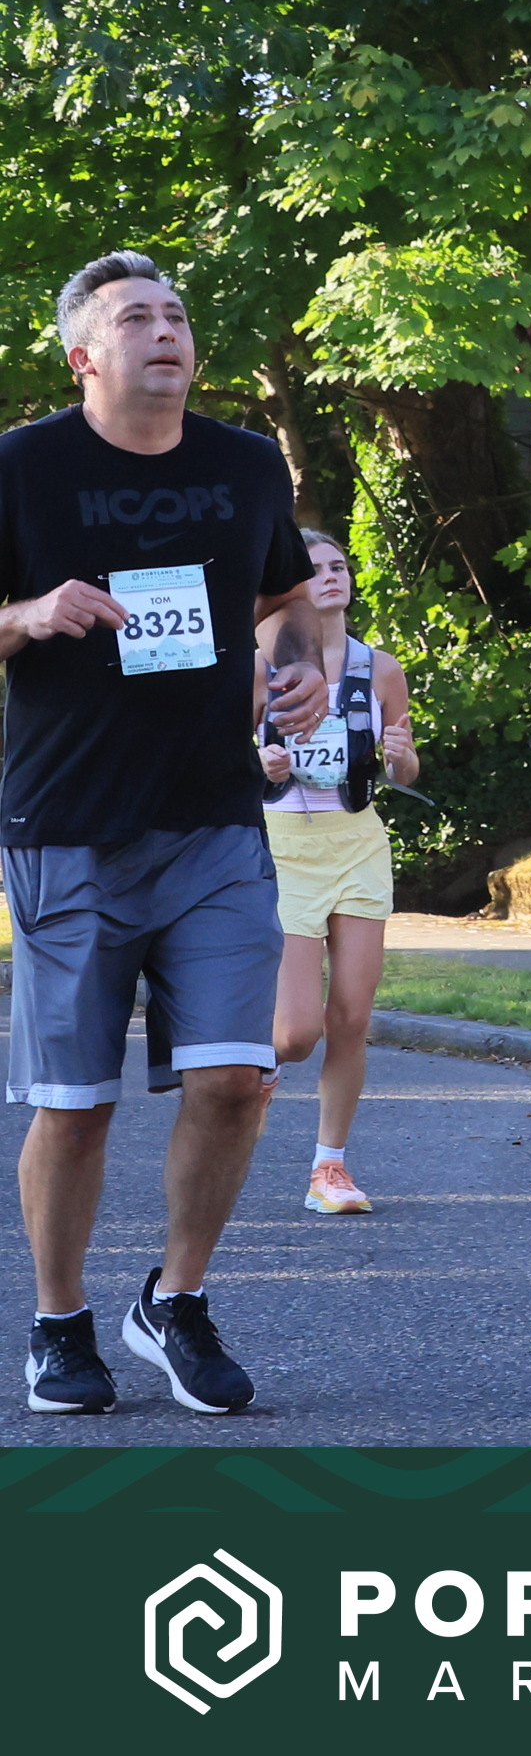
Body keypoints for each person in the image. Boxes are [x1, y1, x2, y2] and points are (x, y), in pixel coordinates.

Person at [11, 253, 324, 1417]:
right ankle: (59, 1324)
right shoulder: (23, 467)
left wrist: (297, 668)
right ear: (83, 356)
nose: (165, 330)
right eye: (136, 316)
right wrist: (29, 612)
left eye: (177, 314)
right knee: (76, 1103)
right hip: (69, 826)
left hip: (213, 822)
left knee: (239, 1078)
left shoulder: (246, 463)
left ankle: (174, 1302)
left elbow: (284, 601)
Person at [255, 530, 417, 1216]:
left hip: (357, 843)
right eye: (315, 568)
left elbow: (405, 767)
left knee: (351, 1015)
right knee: (295, 1033)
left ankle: (331, 1167)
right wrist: (259, 764)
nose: (331, 577)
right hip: (284, 847)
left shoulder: (380, 669)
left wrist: (400, 755)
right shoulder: (259, 665)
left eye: (340, 566)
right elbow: (224, 760)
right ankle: (260, 1072)